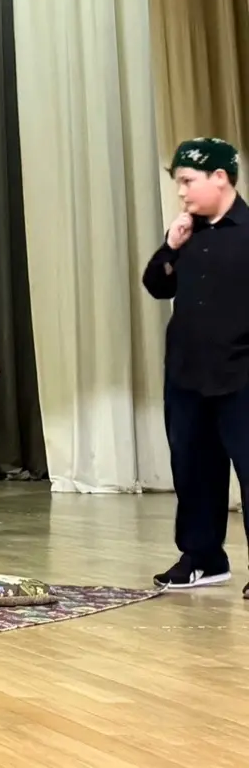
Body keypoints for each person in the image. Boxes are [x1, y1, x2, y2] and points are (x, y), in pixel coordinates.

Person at [143, 137, 249, 593]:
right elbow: (157, 286)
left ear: (220, 177)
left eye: (188, 181)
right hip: (187, 375)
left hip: (240, 376)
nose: (182, 192)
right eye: (179, 183)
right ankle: (203, 558)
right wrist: (170, 246)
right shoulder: (187, 233)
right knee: (193, 468)